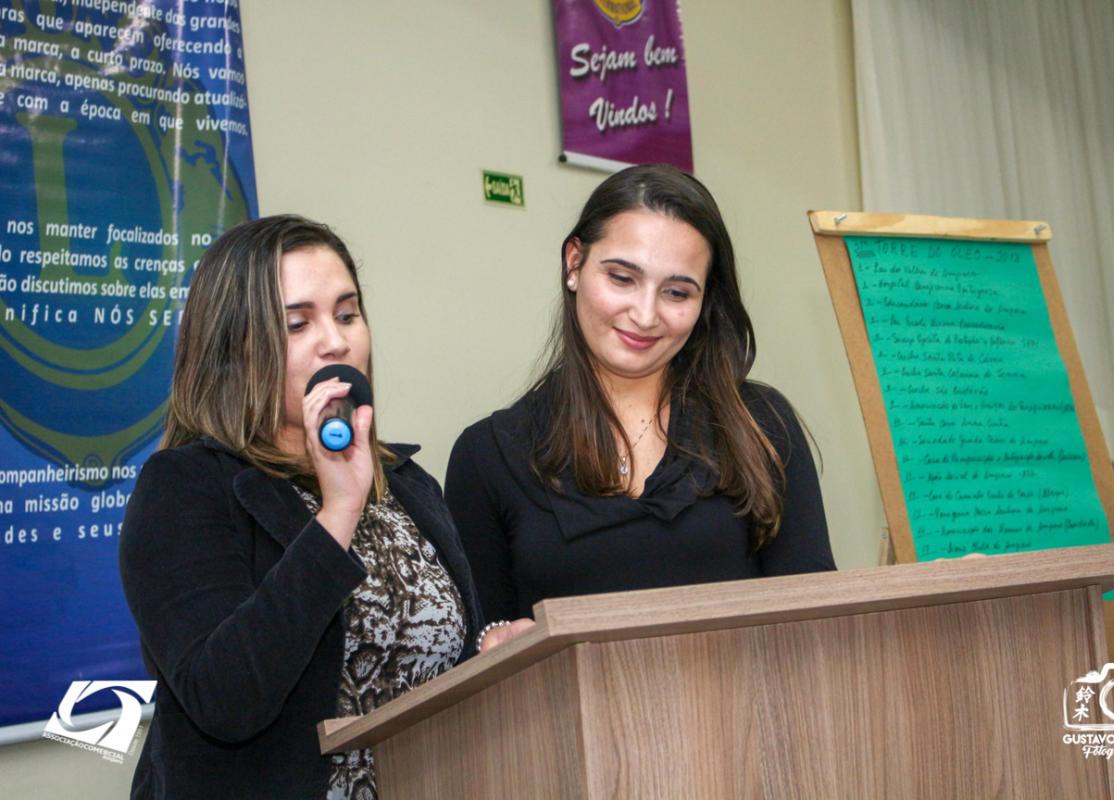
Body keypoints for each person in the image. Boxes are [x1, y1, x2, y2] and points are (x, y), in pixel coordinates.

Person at [119, 215, 483, 799]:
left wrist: (490, 651)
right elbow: (225, 700)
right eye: (298, 323)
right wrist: (337, 512)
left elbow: (440, 668)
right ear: (235, 347)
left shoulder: (407, 484)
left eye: (347, 314)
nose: (335, 342)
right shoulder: (185, 487)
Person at [445, 165, 835, 650]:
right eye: (622, 278)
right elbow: (473, 644)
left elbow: (817, 624)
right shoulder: (487, 456)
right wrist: (491, 640)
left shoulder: (760, 424)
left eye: (676, 292)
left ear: (704, 300)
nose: (645, 315)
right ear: (574, 263)